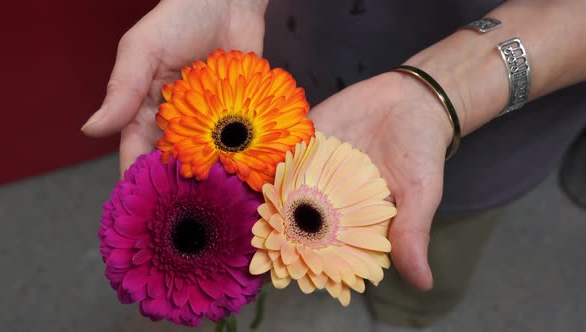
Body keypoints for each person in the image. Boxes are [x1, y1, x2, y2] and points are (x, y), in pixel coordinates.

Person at [81, 0, 586, 330]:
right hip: (292, 52)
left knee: (433, 255)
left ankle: (405, 313)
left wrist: (448, 90)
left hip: (492, 131)